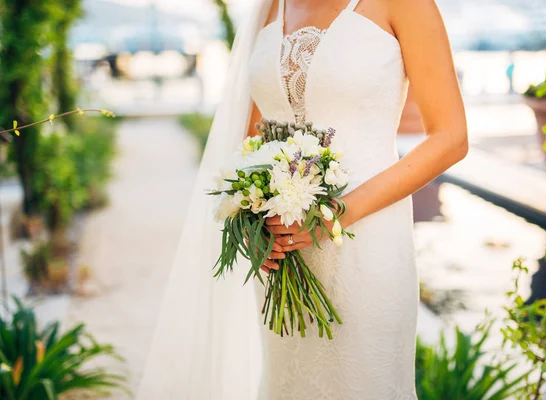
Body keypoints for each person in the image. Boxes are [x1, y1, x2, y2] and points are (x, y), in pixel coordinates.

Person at [138, 1, 467, 399]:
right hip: (281, 250)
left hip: (365, 247)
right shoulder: (271, 7)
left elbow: (451, 137)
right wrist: (253, 217)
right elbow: (253, 136)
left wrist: (333, 215)